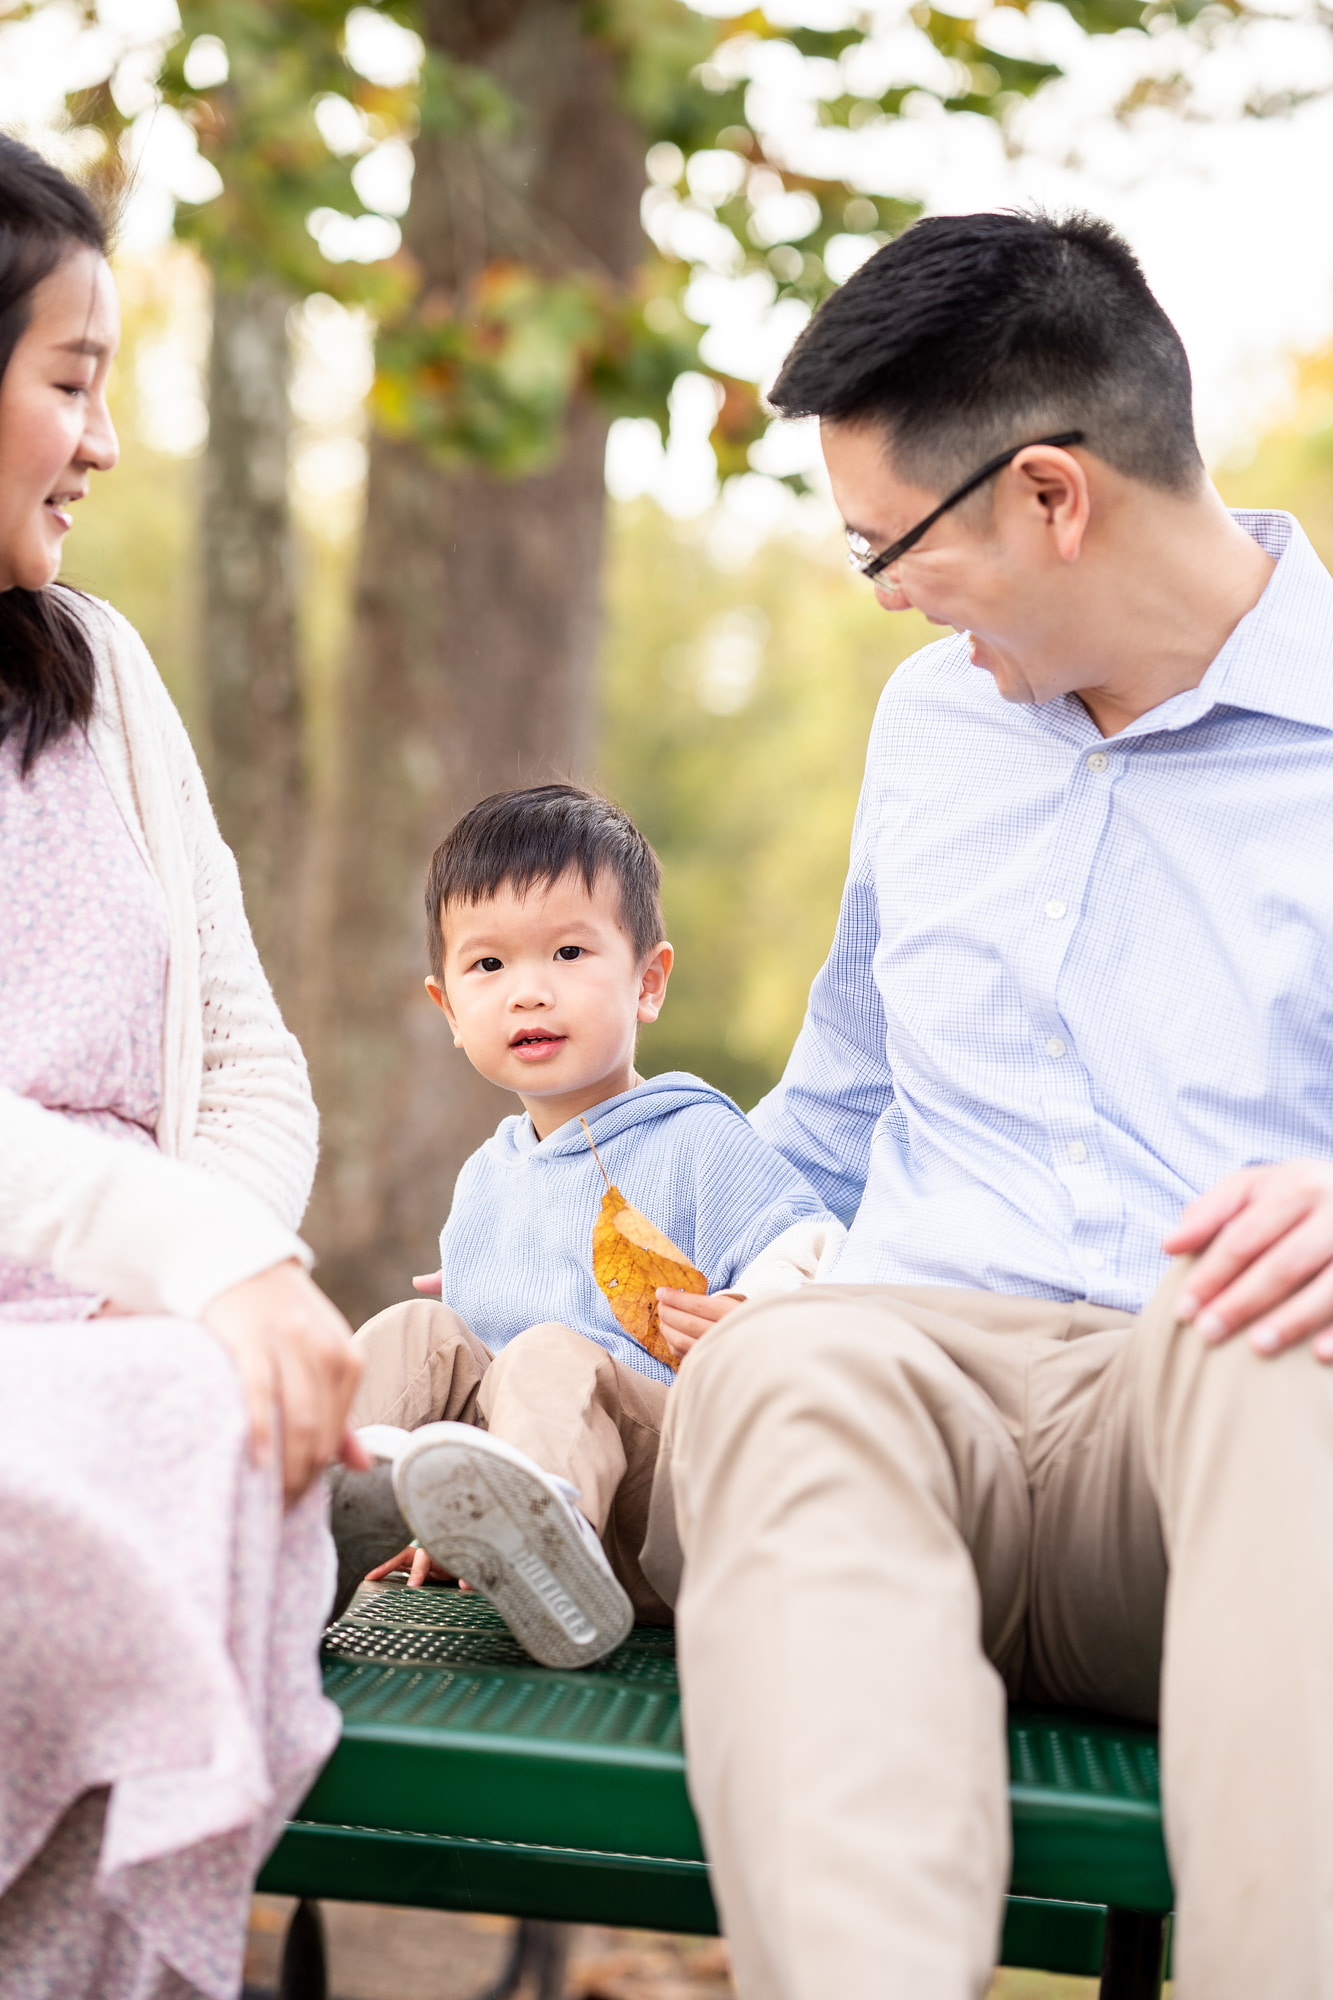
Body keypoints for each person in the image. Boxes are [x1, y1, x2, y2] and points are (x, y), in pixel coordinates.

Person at [646, 210, 1333, 2000]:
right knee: (784, 1360)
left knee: (1267, 1313)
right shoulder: (930, 730)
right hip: (904, 1415)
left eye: (887, 543)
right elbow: (835, 1109)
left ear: (1048, 495)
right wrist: (570, 1243)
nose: (877, 591)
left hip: (1222, 1454)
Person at [0, 136, 363, 1999]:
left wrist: (198, 1283)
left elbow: (248, 1069)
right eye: (70, 381)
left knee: (195, 1425)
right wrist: (196, 1268)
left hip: (144, 1355)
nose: (109, 442)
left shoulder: (101, 669)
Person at [330, 784, 841, 1666]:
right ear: (448, 1009)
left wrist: (760, 1305)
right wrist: (446, 1504)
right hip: (529, 1478)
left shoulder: (693, 1136)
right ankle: (316, 1521)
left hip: (670, 1502)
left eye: (568, 952)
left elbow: (812, 1244)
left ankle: (540, 1535)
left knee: (551, 1349)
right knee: (420, 1328)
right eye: (488, 967)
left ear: (646, 983)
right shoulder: (486, 1180)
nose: (528, 993)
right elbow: (477, 1381)